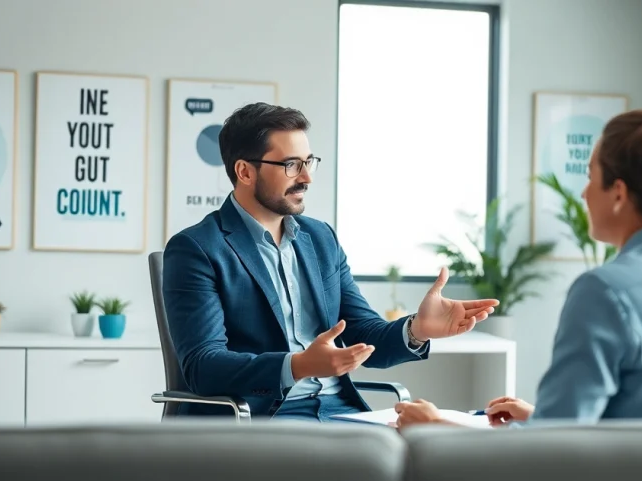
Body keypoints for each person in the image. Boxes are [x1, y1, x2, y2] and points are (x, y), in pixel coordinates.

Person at [394, 108, 642, 428]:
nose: (583, 193)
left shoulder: (607, 291)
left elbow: (556, 457)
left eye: (591, 177)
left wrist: (438, 426)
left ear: (619, 193)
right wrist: (542, 419)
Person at [162, 102, 498, 421]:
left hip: (340, 411)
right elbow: (203, 367)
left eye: (309, 162)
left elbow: (365, 334)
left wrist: (417, 329)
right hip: (265, 418)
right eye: (292, 165)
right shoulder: (197, 248)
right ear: (245, 172)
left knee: (435, 450)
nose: (306, 177)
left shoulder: (320, 239)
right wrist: (298, 366)